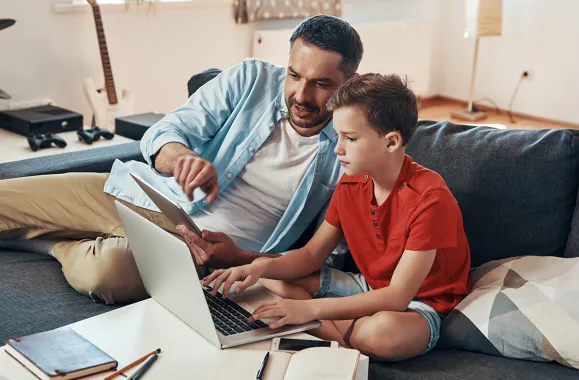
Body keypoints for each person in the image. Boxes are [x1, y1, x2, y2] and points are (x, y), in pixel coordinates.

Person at [0, 15, 363, 304]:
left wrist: (242, 258)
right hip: (143, 195)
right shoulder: (250, 79)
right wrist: (182, 159)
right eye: (294, 75)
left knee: (106, 274)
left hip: (201, 251)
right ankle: (54, 232)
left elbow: (324, 257)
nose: (300, 94)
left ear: (349, 81)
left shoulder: (353, 149)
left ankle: (50, 241)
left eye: (321, 84)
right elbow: (162, 135)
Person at [200, 74, 471, 361]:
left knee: (381, 335)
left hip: (420, 302)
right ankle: (344, 339)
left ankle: (328, 331)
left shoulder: (430, 198)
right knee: (268, 281)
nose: (338, 147)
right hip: (367, 286)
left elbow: (397, 297)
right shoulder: (350, 184)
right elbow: (310, 255)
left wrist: (308, 310)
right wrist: (257, 266)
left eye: (351, 138)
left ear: (390, 142)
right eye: (338, 134)